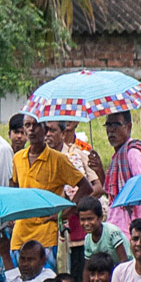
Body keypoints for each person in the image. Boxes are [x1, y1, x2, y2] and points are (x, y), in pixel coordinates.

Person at [11, 114, 93, 268]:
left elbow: (86, 187)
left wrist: (65, 212)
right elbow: (15, 187)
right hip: (19, 235)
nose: (31, 129)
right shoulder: (17, 158)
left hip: (47, 235)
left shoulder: (58, 159)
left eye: (36, 125)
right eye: (27, 125)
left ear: (45, 129)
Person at [99, 110, 141, 231]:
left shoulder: (133, 153)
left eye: (116, 125)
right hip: (116, 227)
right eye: (108, 125)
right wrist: (98, 169)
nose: (111, 130)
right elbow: (113, 194)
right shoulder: (117, 156)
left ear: (128, 126)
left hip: (132, 228)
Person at [76, 198, 128, 268]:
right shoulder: (88, 239)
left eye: (90, 219)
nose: (86, 223)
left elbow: (124, 261)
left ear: (100, 218)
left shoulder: (111, 233)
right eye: (82, 219)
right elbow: (87, 267)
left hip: (124, 268)